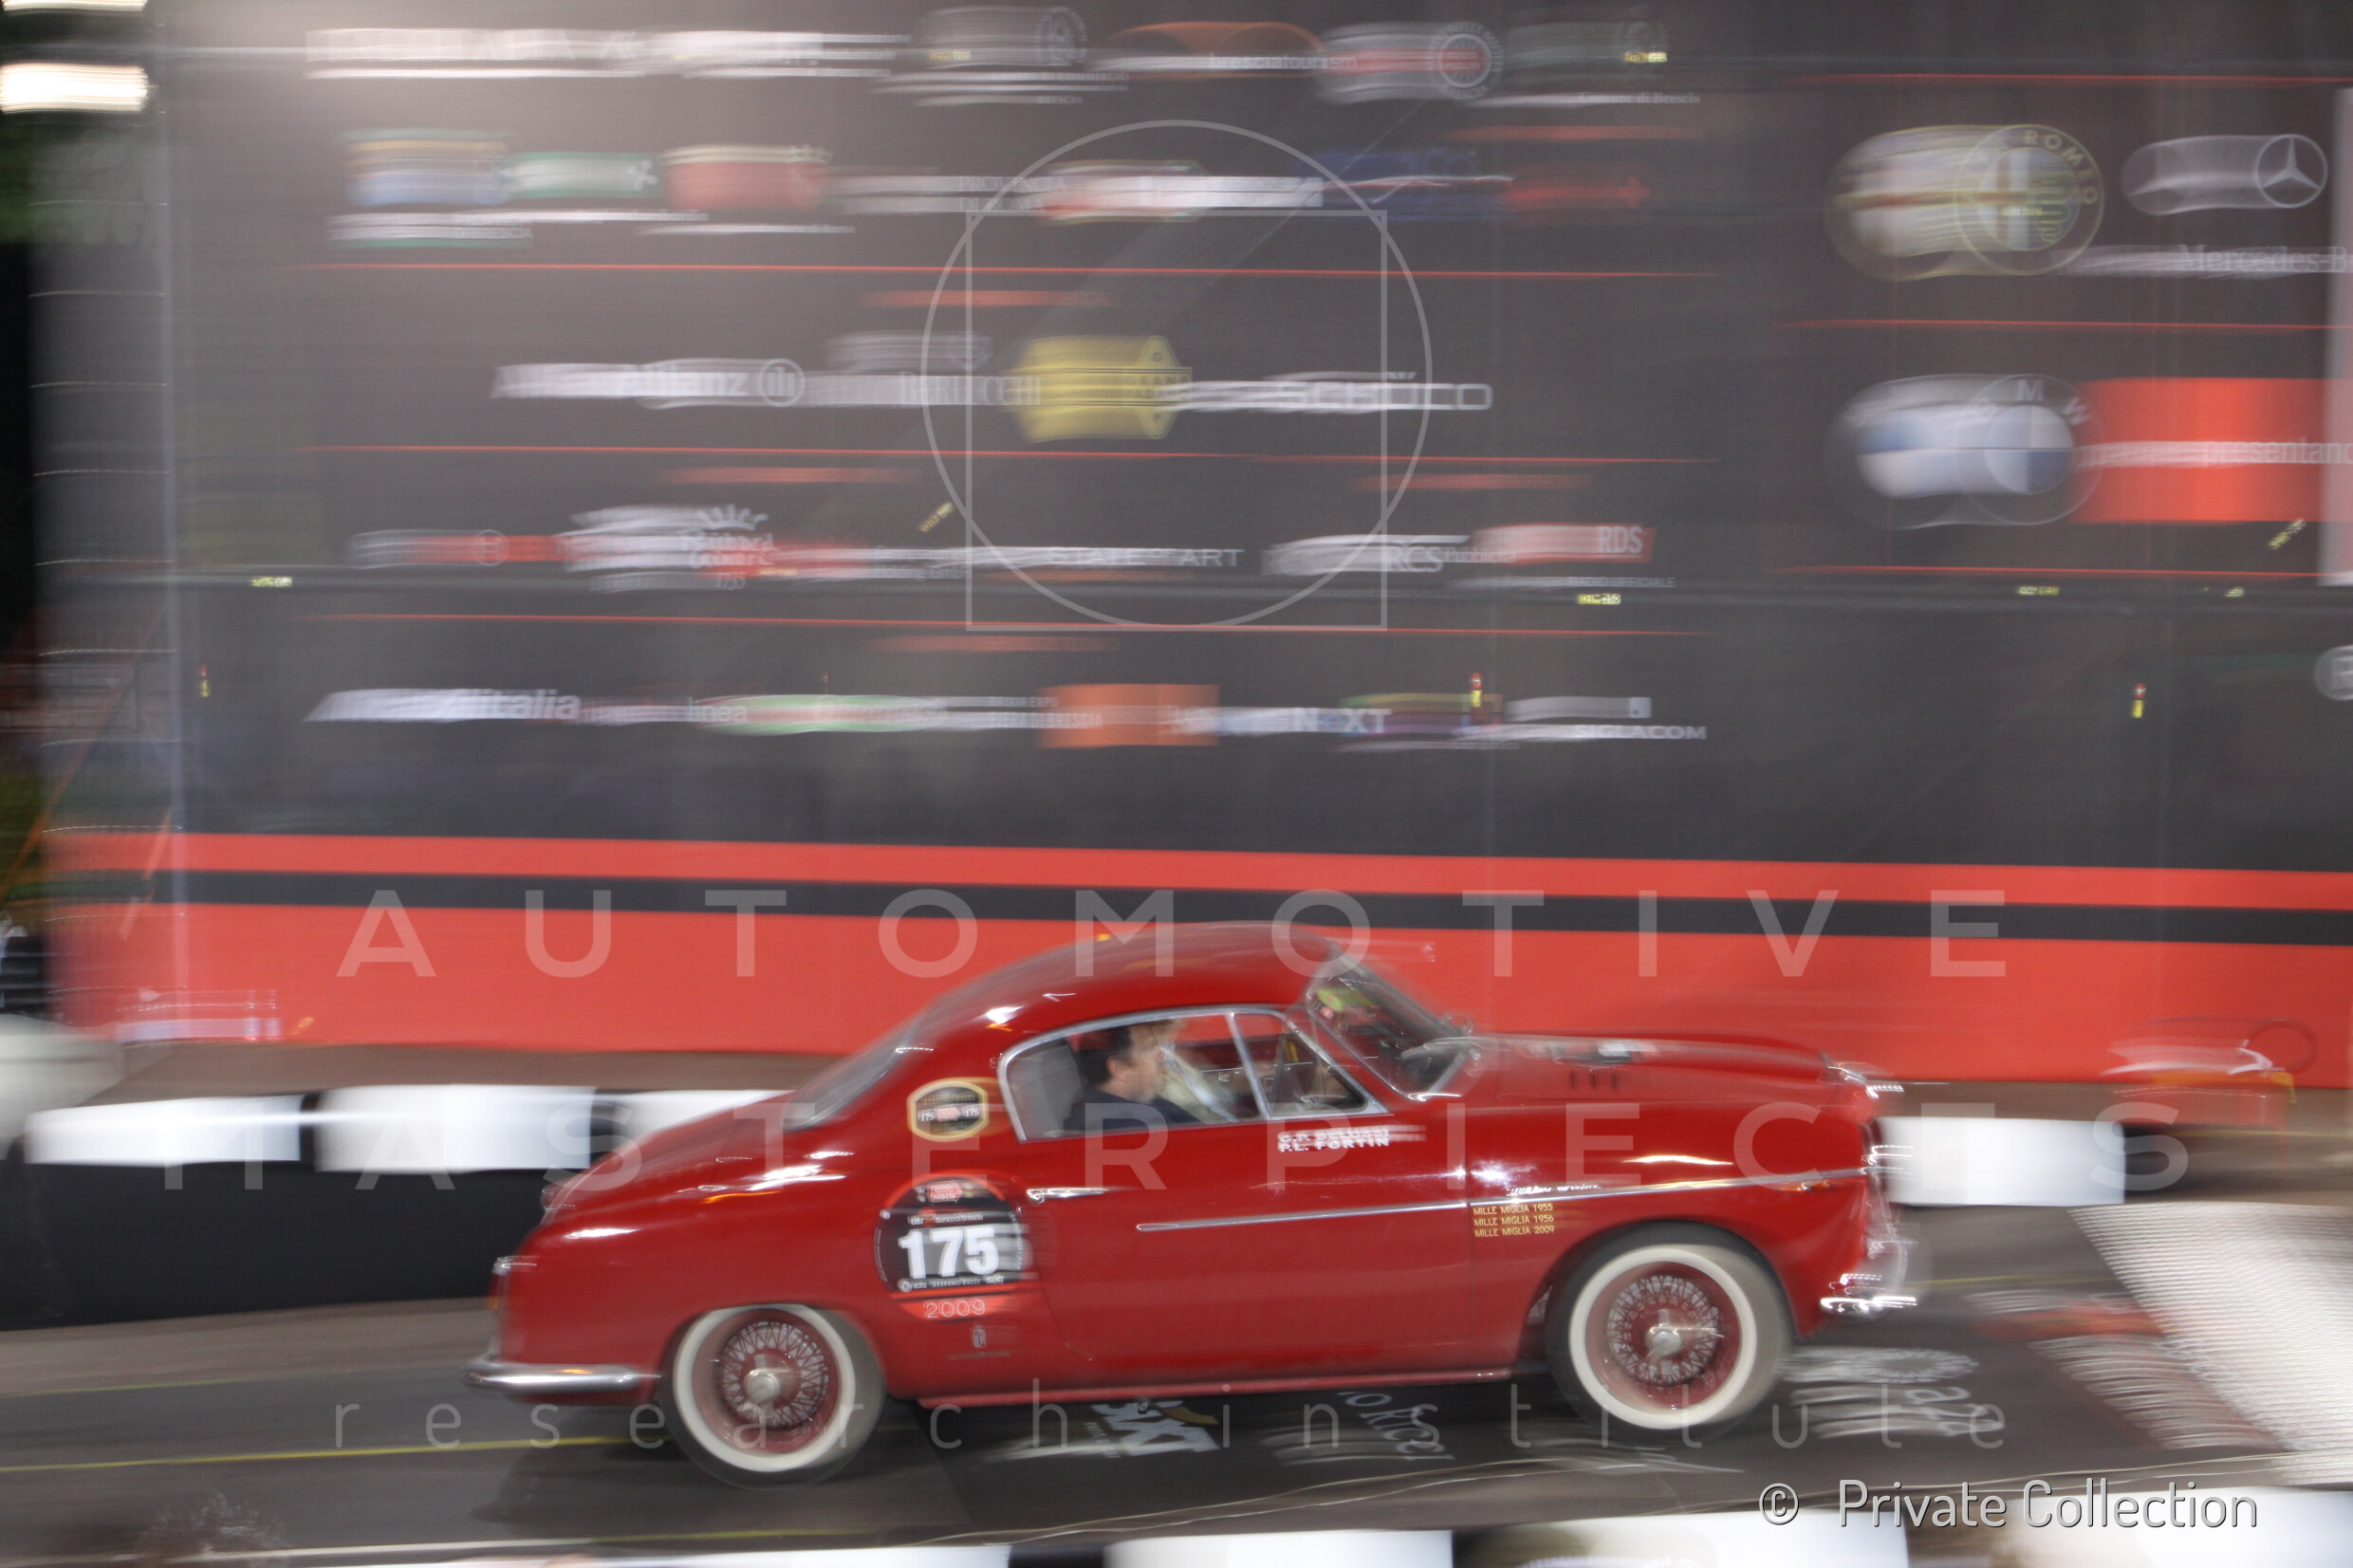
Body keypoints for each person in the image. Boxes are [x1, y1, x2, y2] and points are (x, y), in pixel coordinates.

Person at [1066, 1019, 1200, 1134]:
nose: (1162, 1056)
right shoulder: (1122, 1130)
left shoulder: (1141, 1102)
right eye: (1149, 1048)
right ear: (1120, 1068)